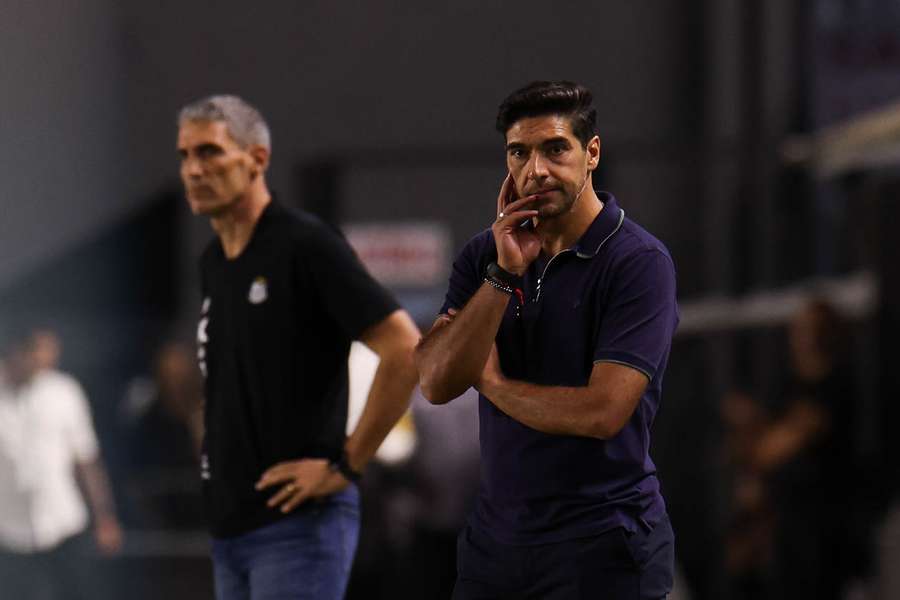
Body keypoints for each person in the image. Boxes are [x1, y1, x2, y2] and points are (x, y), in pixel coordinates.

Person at [415, 81, 679, 599]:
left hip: (602, 539)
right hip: (496, 541)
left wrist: (491, 383)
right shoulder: (483, 255)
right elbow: (436, 381)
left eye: (555, 149)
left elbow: (602, 412)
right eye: (520, 153)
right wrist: (502, 273)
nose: (536, 170)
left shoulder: (638, 263)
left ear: (592, 153)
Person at [177, 94, 420, 600]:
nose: (193, 170)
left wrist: (346, 466)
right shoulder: (213, 261)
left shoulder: (305, 245)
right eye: (185, 156)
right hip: (229, 527)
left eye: (209, 153)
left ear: (256, 159)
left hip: (296, 527)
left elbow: (403, 348)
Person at [0, 328, 122, 599]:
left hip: (63, 522)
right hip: (7, 531)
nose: (45, 363)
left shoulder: (64, 391)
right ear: (17, 352)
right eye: (38, 354)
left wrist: (104, 517)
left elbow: (86, 459)